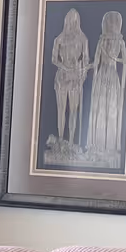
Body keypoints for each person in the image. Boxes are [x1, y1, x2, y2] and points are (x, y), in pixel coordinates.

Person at [84, 10, 126, 166]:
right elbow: (96, 61)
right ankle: (97, 144)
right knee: (100, 109)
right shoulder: (101, 41)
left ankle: (109, 145)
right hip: (102, 75)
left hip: (111, 74)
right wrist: (88, 67)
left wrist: (113, 58)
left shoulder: (120, 41)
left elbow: (125, 61)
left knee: (110, 110)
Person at [49, 9, 90, 151]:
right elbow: (53, 59)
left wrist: (82, 75)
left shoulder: (83, 39)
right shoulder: (59, 39)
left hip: (75, 78)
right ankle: (61, 140)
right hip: (62, 77)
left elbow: (86, 60)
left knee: (73, 110)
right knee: (61, 109)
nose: (72, 23)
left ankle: (71, 142)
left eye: (75, 20)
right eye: (70, 20)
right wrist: (65, 67)